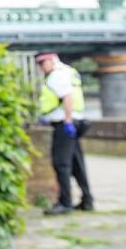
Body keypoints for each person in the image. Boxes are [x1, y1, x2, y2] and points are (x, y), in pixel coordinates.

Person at [35, 52, 94, 215]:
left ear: (51, 60)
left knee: (61, 164)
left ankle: (65, 202)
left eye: (42, 64)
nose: (41, 68)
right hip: (77, 120)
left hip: (65, 124)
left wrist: (67, 120)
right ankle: (87, 200)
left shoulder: (56, 75)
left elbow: (67, 97)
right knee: (77, 164)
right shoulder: (69, 71)